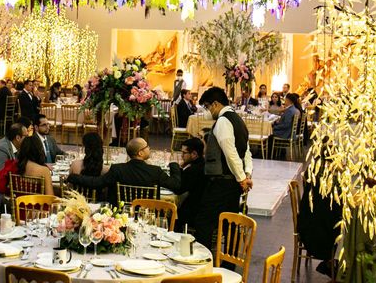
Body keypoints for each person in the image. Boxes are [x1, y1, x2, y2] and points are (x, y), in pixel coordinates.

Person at [195, 87, 253, 252]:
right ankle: (229, 266)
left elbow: (230, 152)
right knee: (230, 224)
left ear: (215, 104)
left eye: (207, 106)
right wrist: (246, 173)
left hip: (222, 181)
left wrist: (242, 178)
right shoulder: (238, 119)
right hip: (233, 181)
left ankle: (204, 262)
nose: (207, 111)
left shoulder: (223, 121)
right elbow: (246, 151)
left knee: (204, 221)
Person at [66, 137, 181, 207]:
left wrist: (74, 177)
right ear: (140, 153)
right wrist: (174, 164)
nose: (149, 148)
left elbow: (96, 182)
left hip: (120, 214)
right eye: (147, 146)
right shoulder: (155, 171)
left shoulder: (118, 169)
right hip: (146, 214)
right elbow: (176, 185)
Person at [168, 138, 206, 232]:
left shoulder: (194, 170)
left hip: (194, 213)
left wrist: (175, 166)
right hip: (202, 208)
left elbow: (178, 188)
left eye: (184, 153)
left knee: (168, 213)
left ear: (194, 154)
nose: (181, 156)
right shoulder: (202, 163)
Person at [268, 93, 302, 158]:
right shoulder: (293, 109)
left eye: (286, 99)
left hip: (286, 132)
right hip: (289, 131)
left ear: (289, 100)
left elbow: (286, 125)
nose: (285, 101)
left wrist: (274, 127)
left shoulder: (289, 110)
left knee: (269, 134)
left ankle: (269, 155)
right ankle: (278, 152)